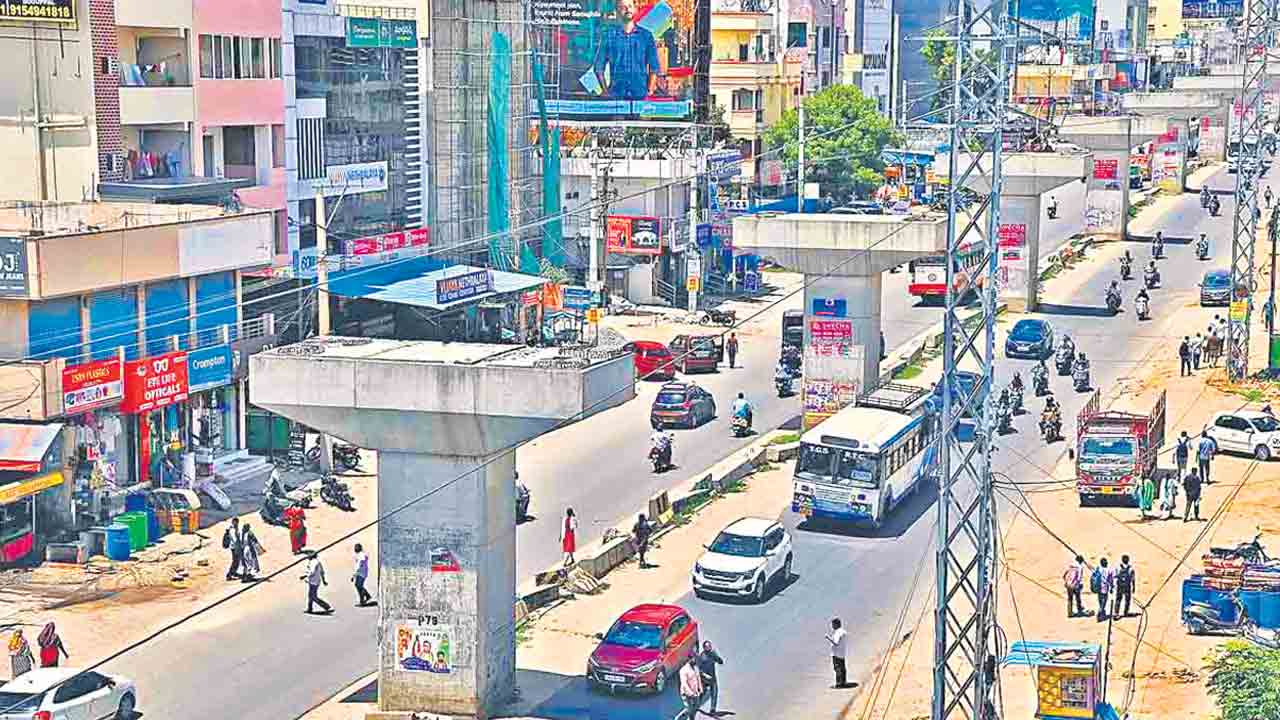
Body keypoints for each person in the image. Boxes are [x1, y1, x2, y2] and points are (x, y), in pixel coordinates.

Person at [594, 0, 661, 101]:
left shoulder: (646, 36)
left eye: (630, 6)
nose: (627, 9)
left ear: (635, 9)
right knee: (618, 117)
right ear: (617, 11)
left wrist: (650, 91)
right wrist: (605, 91)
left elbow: (654, 66)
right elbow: (598, 67)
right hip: (616, 95)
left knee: (642, 117)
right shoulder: (608, 36)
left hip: (641, 95)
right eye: (623, 7)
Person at [697, 640, 725, 715]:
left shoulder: (713, 654)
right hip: (705, 679)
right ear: (704, 648)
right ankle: (696, 705)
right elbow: (699, 669)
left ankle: (712, 709)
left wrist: (716, 656)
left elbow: (721, 662)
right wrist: (705, 675)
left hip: (712, 678)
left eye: (710, 646)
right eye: (708, 646)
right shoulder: (701, 657)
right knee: (702, 693)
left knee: (714, 692)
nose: (710, 647)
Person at [826, 618, 848, 688]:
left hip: (836, 654)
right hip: (842, 652)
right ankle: (843, 682)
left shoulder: (837, 633)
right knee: (842, 668)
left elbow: (836, 643)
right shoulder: (843, 632)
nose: (832, 626)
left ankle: (839, 684)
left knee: (837, 668)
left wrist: (828, 638)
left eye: (833, 625)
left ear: (836, 624)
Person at [223, 516, 243, 581]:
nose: (236, 523)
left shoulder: (234, 528)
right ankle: (229, 575)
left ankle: (234, 572)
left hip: (235, 547)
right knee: (235, 561)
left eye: (237, 522)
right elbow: (235, 540)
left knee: (237, 561)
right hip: (235, 547)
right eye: (235, 522)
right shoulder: (232, 530)